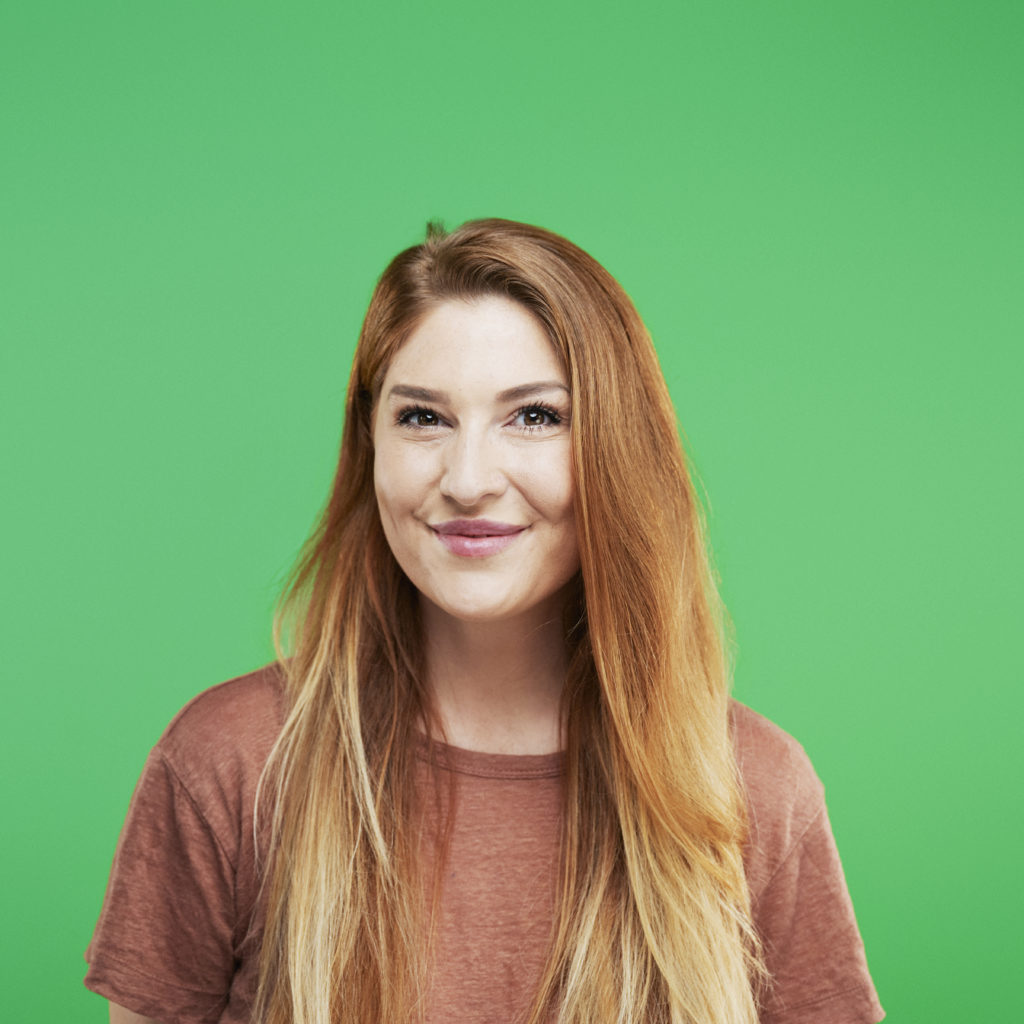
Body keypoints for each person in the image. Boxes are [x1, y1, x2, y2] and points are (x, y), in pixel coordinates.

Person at [85, 219, 884, 1024]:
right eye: (423, 418)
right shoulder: (230, 764)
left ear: (616, 448)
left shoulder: (755, 788)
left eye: (535, 417)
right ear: (370, 444)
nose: (467, 480)